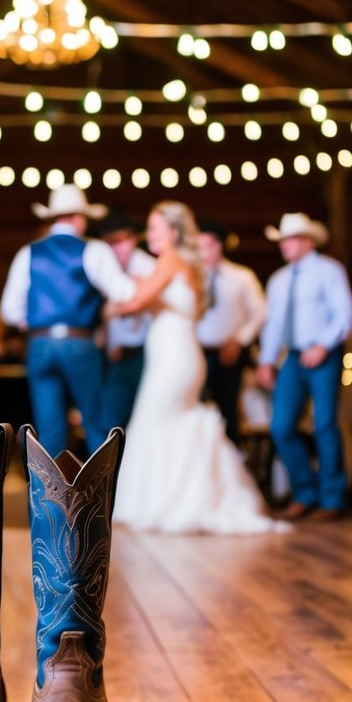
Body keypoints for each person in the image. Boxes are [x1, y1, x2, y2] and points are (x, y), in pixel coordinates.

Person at [111, 201, 287, 533]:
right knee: (167, 423)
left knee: (159, 421)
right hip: (178, 355)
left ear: (173, 233)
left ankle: (172, 503)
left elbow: (135, 302)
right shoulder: (188, 265)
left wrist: (111, 302)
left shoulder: (170, 262)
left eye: (154, 229)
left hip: (174, 359)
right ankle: (177, 499)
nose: (148, 235)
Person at [0, 183, 136, 457]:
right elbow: (124, 292)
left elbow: (9, 311)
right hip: (79, 344)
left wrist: (36, 322)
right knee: (96, 426)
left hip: (39, 345)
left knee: (50, 435)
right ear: (78, 217)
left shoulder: (28, 252)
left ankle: (48, 501)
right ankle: (103, 499)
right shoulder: (93, 250)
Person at [255, 212, 352, 521]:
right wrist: (266, 360)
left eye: (290, 239)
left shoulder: (329, 271)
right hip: (294, 358)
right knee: (281, 426)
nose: (284, 245)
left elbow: (344, 314)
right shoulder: (279, 279)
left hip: (324, 355)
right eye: (282, 240)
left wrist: (323, 345)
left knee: (325, 424)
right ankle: (305, 492)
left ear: (308, 241)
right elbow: (273, 324)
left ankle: (332, 499)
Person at [197, 219, 267, 446]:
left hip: (229, 352)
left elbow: (260, 312)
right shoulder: (192, 277)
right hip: (197, 351)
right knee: (195, 407)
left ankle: (231, 458)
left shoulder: (242, 277)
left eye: (208, 246)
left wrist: (239, 340)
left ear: (219, 246)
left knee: (228, 407)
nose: (204, 252)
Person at [96, 209, 156, 431]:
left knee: (142, 422)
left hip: (144, 355)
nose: (114, 248)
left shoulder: (149, 267)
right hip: (113, 358)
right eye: (108, 243)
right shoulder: (103, 267)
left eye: (119, 241)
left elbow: (145, 307)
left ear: (132, 239)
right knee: (110, 422)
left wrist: (115, 309)